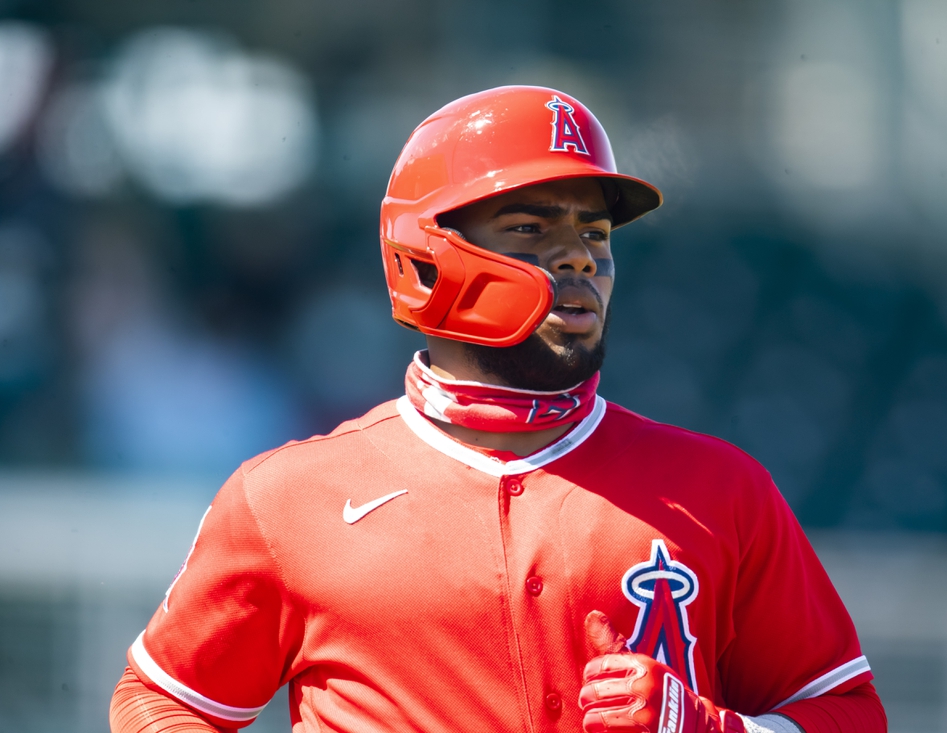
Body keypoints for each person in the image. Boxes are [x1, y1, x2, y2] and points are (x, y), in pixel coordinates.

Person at [109, 86, 887, 733]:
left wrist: (721, 730)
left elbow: (848, 714)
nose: (580, 256)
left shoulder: (722, 489)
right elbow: (157, 699)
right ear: (427, 250)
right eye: (529, 228)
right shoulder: (285, 499)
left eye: (594, 232)